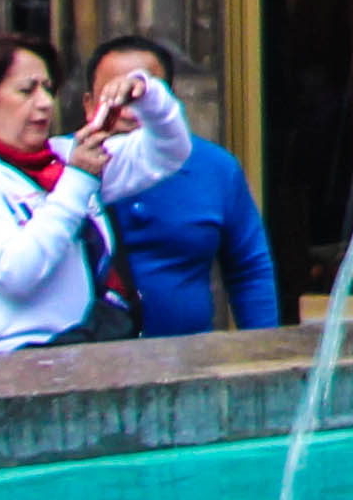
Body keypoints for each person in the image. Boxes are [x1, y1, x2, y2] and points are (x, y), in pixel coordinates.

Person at [0, 31, 174, 352]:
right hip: (3, 370)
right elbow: (13, 273)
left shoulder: (63, 154)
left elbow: (168, 152)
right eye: (26, 91)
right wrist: (77, 182)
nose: (45, 103)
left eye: (46, 88)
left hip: (82, 355)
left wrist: (148, 96)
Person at [87, 35, 280, 337]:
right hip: (90, 363)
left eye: (137, 96)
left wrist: (264, 347)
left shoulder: (216, 168)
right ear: (89, 105)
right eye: (114, 98)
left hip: (190, 361)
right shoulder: (64, 170)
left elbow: (249, 266)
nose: (126, 110)